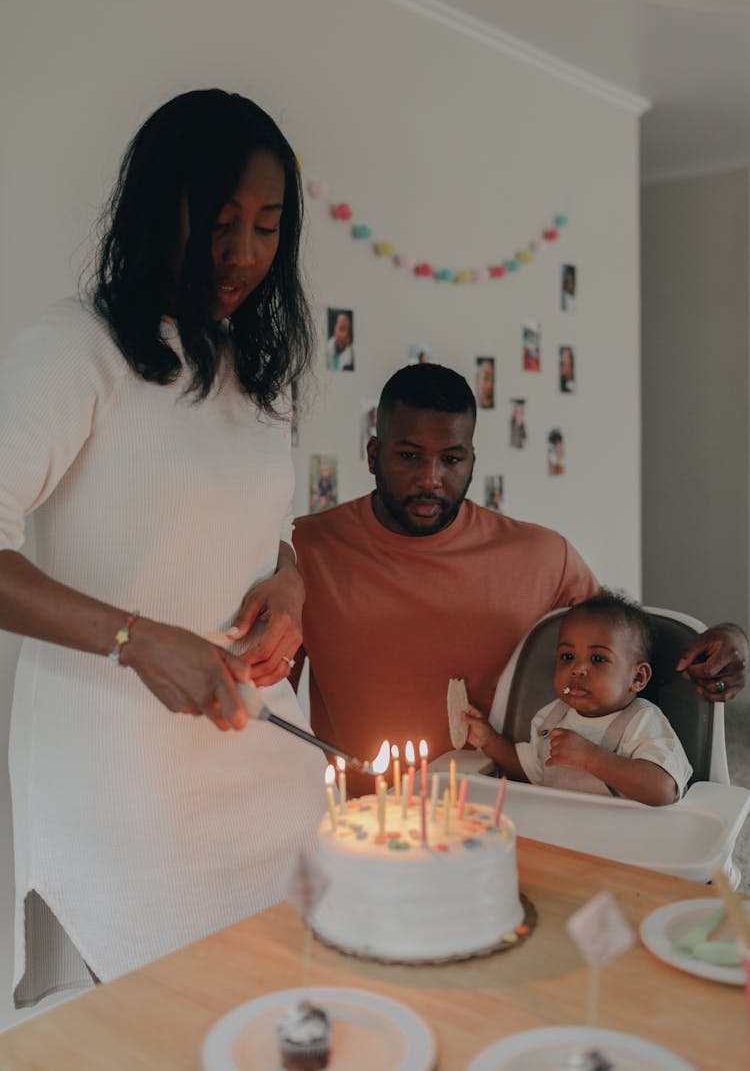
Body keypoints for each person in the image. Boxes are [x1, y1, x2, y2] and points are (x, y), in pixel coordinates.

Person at [0, 89, 327, 1007]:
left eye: (268, 227)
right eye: (222, 223)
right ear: (160, 211)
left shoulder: (259, 378)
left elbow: (272, 529)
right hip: (121, 780)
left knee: (287, 1016)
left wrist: (290, 588)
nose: (246, 254)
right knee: (162, 1026)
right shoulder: (76, 351)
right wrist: (135, 637)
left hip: (263, 759)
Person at [291, 364, 748, 798]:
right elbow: (267, 698)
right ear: (373, 455)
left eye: (451, 458)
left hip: (501, 803)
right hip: (354, 810)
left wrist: (725, 642)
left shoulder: (541, 556)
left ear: (471, 461)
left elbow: (632, 648)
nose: (430, 479)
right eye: (409, 455)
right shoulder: (304, 549)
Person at [462, 591, 692, 805]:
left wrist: (591, 758)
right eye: (567, 656)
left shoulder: (642, 720)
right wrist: (489, 741)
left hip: (618, 839)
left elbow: (663, 789)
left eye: (598, 659)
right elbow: (530, 772)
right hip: (558, 833)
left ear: (638, 677)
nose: (577, 668)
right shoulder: (550, 717)